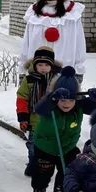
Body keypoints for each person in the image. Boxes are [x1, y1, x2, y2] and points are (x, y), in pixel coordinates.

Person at [31, 66, 96, 192]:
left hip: (67, 146)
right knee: (43, 170)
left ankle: (61, 187)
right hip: (46, 145)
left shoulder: (79, 105)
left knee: (70, 168)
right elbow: (39, 108)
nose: (67, 104)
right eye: (63, 101)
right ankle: (39, 190)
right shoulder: (50, 106)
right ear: (56, 99)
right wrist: (52, 99)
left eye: (71, 101)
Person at [18, 0, 86, 85]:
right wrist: (23, 69)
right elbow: (27, 42)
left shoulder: (72, 14)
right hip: (39, 69)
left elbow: (79, 43)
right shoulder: (35, 13)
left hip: (64, 67)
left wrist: (79, 70)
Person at [16, 46, 62, 176]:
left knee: (49, 146)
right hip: (34, 120)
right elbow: (22, 98)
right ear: (34, 65)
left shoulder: (57, 80)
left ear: (52, 66)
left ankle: (46, 165)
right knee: (33, 145)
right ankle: (33, 164)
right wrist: (23, 117)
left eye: (46, 65)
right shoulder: (29, 80)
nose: (43, 68)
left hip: (52, 121)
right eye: (40, 64)